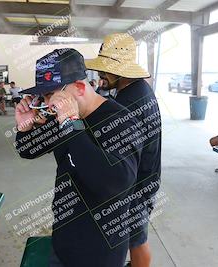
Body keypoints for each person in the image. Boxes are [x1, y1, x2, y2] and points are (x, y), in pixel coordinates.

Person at [15, 48, 143, 267]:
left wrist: (71, 124)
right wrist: (26, 128)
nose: (46, 104)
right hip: (65, 236)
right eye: (43, 96)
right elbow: (28, 150)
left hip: (100, 247)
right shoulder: (65, 118)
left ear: (80, 88)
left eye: (50, 95)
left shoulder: (119, 121)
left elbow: (116, 183)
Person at [86, 33, 162, 267]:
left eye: (106, 69)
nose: (100, 74)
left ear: (122, 71)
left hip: (137, 182)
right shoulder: (138, 90)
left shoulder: (128, 102)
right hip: (145, 175)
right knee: (133, 234)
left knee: (136, 239)